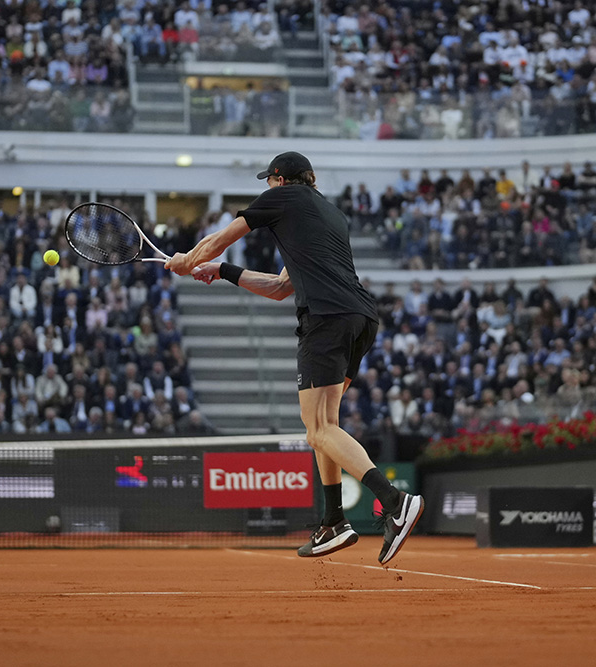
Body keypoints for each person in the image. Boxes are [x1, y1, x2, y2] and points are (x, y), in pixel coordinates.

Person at [164, 151, 425, 564]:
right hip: (360, 319)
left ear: (280, 181)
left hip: (326, 320)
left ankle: (395, 502)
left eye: (268, 181)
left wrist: (187, 260)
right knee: (327, 426)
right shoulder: (329, 215)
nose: (266, 188)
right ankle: (334, 521)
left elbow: (220, 237)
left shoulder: (283, 198)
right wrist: (223, 271)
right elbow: (280, 287)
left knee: (317, 429)